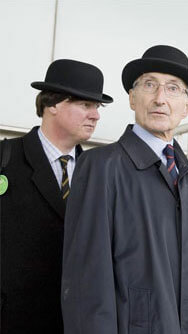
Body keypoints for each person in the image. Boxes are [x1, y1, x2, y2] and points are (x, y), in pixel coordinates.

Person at [61, 45, 188, 334]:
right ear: (133, 98)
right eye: (150, 85)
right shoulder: (100, 167)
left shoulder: (187, 177)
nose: (160, 98)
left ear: (187, 107)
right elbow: (87, 286)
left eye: (173, 88)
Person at [0, 59, 112, 333]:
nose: (95, 115)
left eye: (97, 107)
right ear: (51, 104)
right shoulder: (6, 159)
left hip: (75, 323)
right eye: (85, 104)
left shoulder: (101, 174)